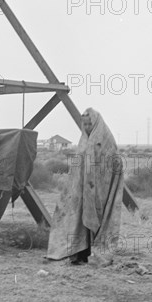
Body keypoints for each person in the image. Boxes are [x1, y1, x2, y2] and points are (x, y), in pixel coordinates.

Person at [47, 108, 124, 264]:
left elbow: (114, 163)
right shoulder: (84, 142)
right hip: (83, 190)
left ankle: (97, 252)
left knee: (98, 218)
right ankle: (79, 253)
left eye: (90, 124)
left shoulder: (106, 140)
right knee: (78, 218)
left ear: (96, 123)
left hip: (102, 189)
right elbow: (78, 167)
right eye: (85, 124)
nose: (87, 127)